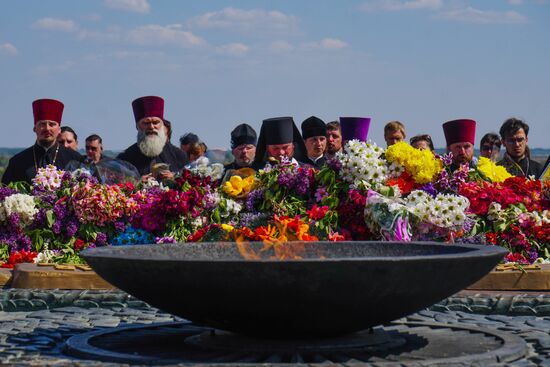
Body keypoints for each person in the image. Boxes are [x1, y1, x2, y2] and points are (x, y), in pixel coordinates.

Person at [2, 99, 83, 185]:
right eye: (42, 124)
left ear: (59, 129)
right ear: (34, 128)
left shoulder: (75, 159)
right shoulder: (17, 162)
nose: (47, 128)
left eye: (52, 124)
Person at [117, 96, 188, 180]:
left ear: (162, 125)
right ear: (137, 126)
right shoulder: (125, 159)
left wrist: (175, 178)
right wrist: (137, 183)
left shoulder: (179, 156)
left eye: (155, 122)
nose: (151, 127)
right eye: (146, 123)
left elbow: (189, 184)